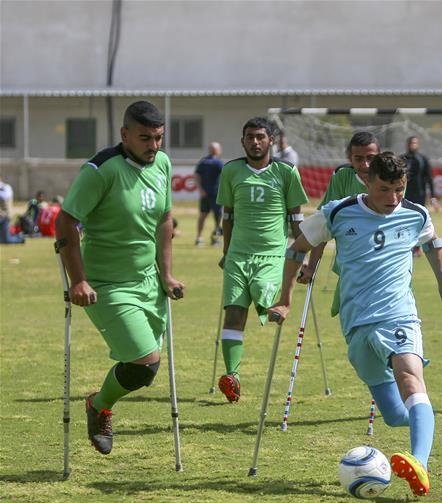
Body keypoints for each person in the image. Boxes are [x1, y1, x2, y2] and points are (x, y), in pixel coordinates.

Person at [269, 152, 442, 497]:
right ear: (367, 181)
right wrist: (285, 299)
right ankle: (424, 419)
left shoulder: (415, 214)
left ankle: (420, 463)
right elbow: (296, 249)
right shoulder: (339, 212)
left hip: (399, 315)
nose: (393, 199)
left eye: (399, 189)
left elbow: (433, 242)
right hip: (356, 323)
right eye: (385, 189)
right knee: (393, 414)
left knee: (409, 378)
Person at [55, 100, 184, 455]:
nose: (154, 146)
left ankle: (100, 403)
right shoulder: (101, 170)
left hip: (147, 282)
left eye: (159, 138)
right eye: (145, 138)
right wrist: (78, 280)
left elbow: (164, 220)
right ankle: (99, 406)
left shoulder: (163, 164)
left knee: (146, 369)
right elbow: (65, 221)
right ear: (124, 134)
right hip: (106, 285)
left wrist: (167, 274)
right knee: (145, 362)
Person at [215, 117, 309, 403]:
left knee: (268, 305)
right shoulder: (231, 171)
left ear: (271, 140)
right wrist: (226, 252)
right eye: (249, 137)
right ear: (242, 140)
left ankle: (278, 306)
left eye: (260, 137)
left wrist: (301, 256)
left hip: (272, 255)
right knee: (233, 312)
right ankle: (233, 376)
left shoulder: (286, 171)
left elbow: (296, 217)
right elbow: (227, 215)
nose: (255, 142)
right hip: (237, 256)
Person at [299, 131, 380, 316]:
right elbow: (324, 225)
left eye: (371, 158)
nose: (365, 164)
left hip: (381, 265)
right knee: (353, 322)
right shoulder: (342, 177)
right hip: (349, 265)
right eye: (358, 158)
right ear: (349, 158)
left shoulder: (391, 179)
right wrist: (311, 266)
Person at [194, 142, 224, 246]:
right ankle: (215, 238)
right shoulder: (218, 163)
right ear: (217, 150)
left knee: (203, 215)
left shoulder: (203, 161)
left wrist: (200, 189)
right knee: (218, 216)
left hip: (205, 193)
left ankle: (199, 238)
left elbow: (196, 176)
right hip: (216, 193)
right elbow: (225, 176)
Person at [402, 136, 438, 210]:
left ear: (418, 145)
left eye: (415, 143)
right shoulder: (402, 159)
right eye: (411, 143)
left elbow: (429, 178)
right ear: (407, 145)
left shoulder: (423, 159)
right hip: (405, 194)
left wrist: (432, 196)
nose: (413, 145)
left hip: (420, 194)